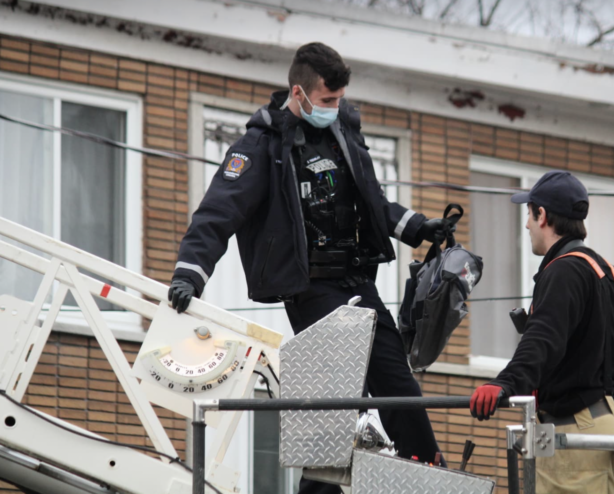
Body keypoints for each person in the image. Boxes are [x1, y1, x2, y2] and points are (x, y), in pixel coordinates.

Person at [168, 42, 452, 494]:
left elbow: (373, 201)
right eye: (327, 100)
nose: (334, 108)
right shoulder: (261, 145)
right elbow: (218, 213)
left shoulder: (343, 134)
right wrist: (189, 275)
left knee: (398, 387)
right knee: (340, 403)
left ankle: (429, 477)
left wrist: (418, 226)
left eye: (339, 99)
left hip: (356, 280)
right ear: (298, 93)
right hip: (311, 288)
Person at [469, 170, 614, 494]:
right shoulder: (611, 275)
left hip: (577, 438)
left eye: (529, 215)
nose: (527, 225)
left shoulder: (563, 271)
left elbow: (543, 340)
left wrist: (504, 383)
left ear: (542, 215)